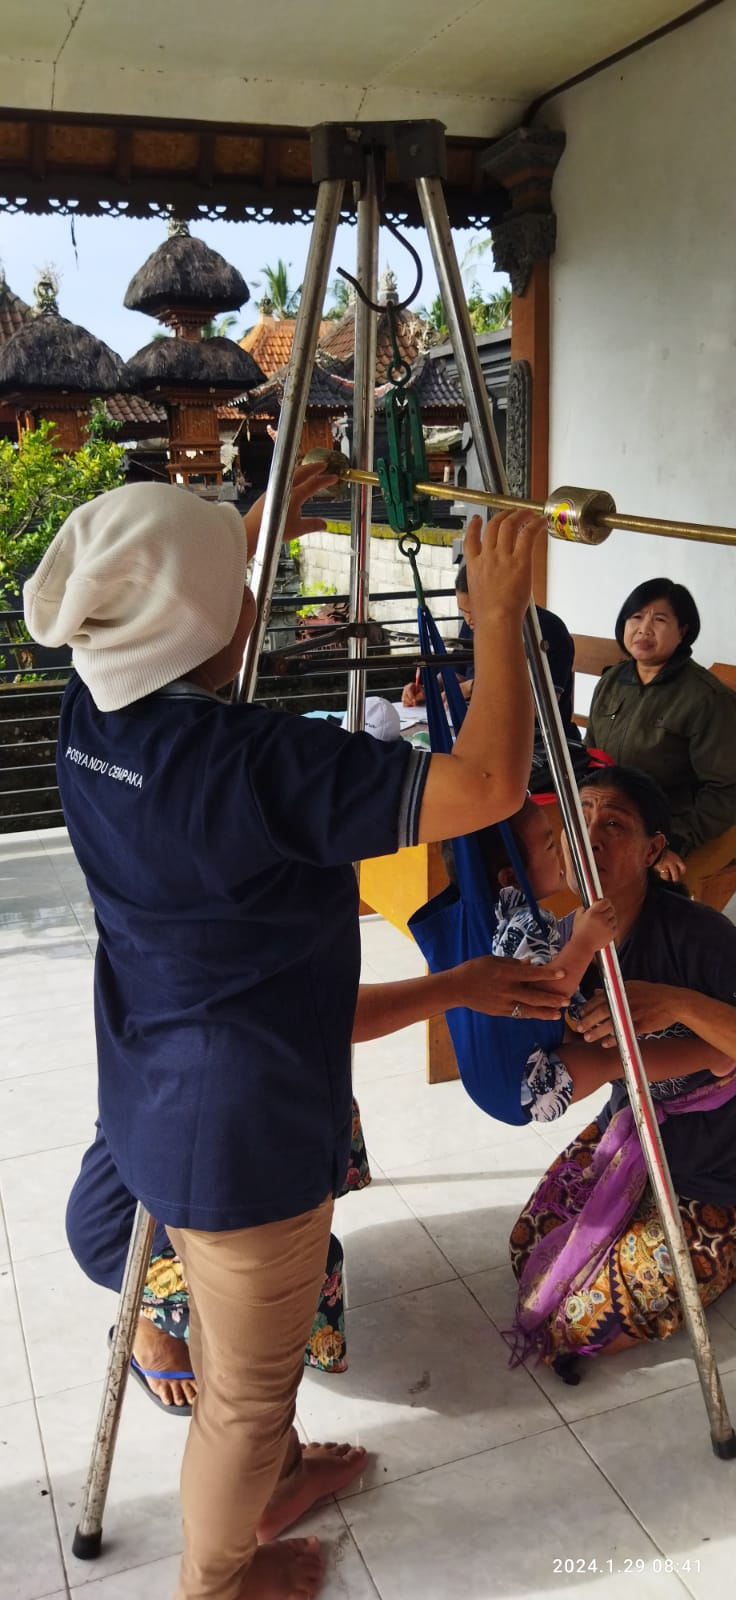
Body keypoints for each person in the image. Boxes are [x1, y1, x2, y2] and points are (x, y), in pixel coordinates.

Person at [24, 463, 546, 1600]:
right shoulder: (266, 767)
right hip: (244, 1141)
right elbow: (495, 778)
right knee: (242, 1403)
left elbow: (172, 617)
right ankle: (220, 1580)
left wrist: (248, 531)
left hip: (150, 1081)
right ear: (208, 618)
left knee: (253, 1374)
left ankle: (277, 1472)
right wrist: (495, 617)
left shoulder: (87, 714)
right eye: (235, 578)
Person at [67, 950, 572, 1422]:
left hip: (235, 1127)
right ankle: (152, 1323)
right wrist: (456, 987)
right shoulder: (223, 987)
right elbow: (318, 1014)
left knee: (307, 1112)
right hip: (147, 1212)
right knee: (273, 1317)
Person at [509, 765, 736, 1378]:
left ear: (653, 849)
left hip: (718, 1166)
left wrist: (679, 1005)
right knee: (528, 1247)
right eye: (580, 819)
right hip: (634, 1126)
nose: (592, 837)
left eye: (614, 824)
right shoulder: (571, 941)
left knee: (585, 1325)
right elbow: (559, 1066)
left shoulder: (702, 939)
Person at [442, 796, 720, 1123]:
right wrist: (586, 941)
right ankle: (713, 1055)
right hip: (532, 1085)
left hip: (496, 1079)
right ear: (510, 878)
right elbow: (546, 995)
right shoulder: (528, 923)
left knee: (597, 1045)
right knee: (617, 1057)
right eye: (550, 847)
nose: (563, 853)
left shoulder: (488, 921)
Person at [585, 577, 736, 881]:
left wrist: (675, 841)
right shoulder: (611, 682)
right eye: (636, 617)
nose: (644, 628)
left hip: (665, 829)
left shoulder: (707, 698)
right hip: (607, 819)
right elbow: (591, 757)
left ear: (683, 632)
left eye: (660, 619)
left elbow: (726, 790)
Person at [402, 561, 578, 738]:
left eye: (474, 611)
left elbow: (538, 709)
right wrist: (428, 688)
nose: (469, 619)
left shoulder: (546, 632)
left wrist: (472, 687)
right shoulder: (475, 623)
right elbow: (458, 673)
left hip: (534, 739)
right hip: (475, 725)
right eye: (464, 611)